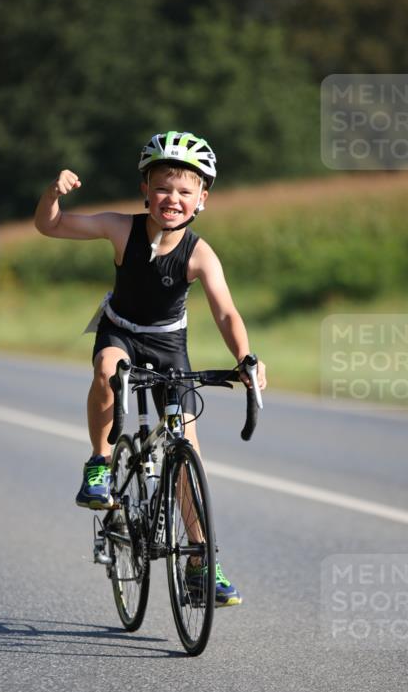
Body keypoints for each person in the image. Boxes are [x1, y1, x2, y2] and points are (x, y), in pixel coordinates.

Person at [34, 130, 267, 607]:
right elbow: (51, 227)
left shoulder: (200, 253)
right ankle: (99, 465)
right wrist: (51, 195)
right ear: (145, 189)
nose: (173, 199)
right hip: (121, 330)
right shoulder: (122, 228)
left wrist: (245, 358)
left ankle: (202, 562)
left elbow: (226, 312)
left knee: (187, 451)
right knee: (107, 369)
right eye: (163, 187)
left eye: (185, 191)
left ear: (203, 197)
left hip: (168, 346)